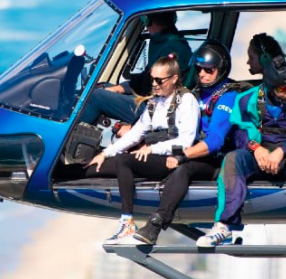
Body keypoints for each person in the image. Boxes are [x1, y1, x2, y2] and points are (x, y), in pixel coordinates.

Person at [197, 53, 286, 247]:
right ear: (270, 89)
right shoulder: (249, 99)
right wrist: (256, 148)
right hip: (261, 153)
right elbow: (239, 129)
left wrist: (283, 149)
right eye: (282, 88)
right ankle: (223, 224)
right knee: (233, 159)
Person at [131, 40, 246, 245]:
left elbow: (216, 141)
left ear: (220, 70)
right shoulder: (197, 91)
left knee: (182, 169)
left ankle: (156, 224)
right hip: (190, 148)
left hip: (213, 160)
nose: (202, 74)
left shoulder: (228, 96)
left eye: (208, 70)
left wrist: (182, 156)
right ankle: (126, 217)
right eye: (199, 69)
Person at [85, 54, 200, 243]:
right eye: (152, 79)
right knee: (94, 166)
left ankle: (127, 221)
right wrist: (105, 153)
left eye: (159, 80)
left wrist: (152, 149)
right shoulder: (155, 103)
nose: (154, 84)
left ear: (174, 79)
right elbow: (134, 135)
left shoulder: (186, 101)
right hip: (153, 155)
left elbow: (186, 141)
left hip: (173, 158)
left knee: (124, 161)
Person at [79, 11, 192, 126]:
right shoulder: (163, 41)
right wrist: (119, 88)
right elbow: (147, 78)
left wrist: (121, 88)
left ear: (147, 20)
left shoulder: (172, 47)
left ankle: (68, 140)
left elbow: (156, 83)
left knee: (94, 97)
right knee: (101, 87)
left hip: (158, 107)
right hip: (151, 97)